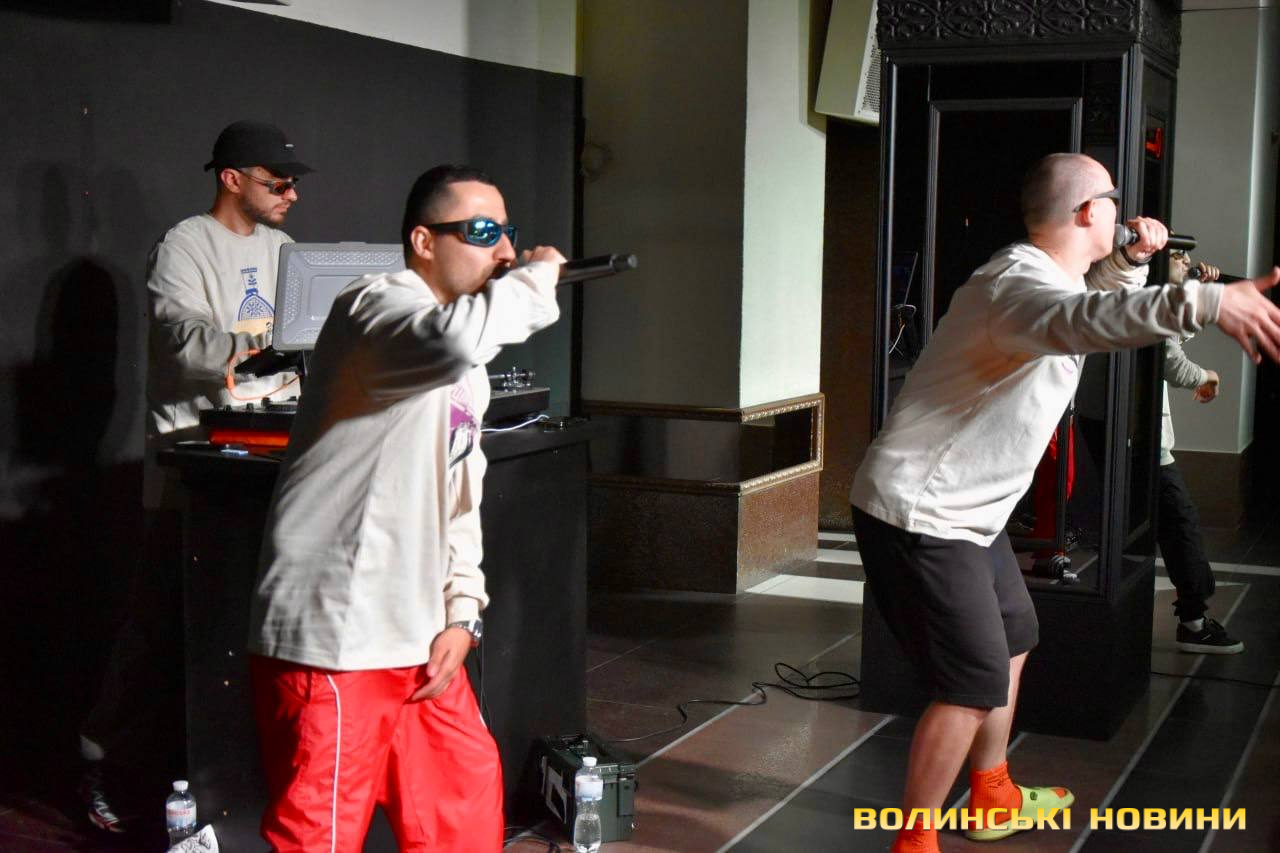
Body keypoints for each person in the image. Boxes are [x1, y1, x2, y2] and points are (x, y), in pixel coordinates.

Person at [849, 152, 1280, 853]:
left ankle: (991, 792)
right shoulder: (1014, 284)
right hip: (921, 514)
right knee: (971, 683)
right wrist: (1203, 301)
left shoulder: (1044, 276)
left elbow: (1081, 302)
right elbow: (1079, 319)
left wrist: (1129, 260)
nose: (1123, 210)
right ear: (1087, 212)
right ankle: (915, 841)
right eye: (1114, 198)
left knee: (1015, 635)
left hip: (968, 515)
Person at [247, 165, 563, 852]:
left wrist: (462, 609)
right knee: (320, 834)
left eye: (508, 233)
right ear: (423, 241)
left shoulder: (466, 366)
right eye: (482, 231)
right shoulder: (374, 306)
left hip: (419, 637)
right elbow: (449, 340)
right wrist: (535, 280)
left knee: (461, 808)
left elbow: (460, 491)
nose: (506, 251)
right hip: (339, 637)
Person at [78, 120, 312, 834]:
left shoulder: (285, 252)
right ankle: (101, 765)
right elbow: (183, 339)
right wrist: (267, 346)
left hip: (270, 460)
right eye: (277, 183)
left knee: (258, 625)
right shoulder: (184, 245)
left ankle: (245, 779)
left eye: (293, 184)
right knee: (159, 625)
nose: (291, 195)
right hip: (195, 464)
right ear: (231, 179)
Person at [1159, 251, 1244, 653]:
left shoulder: (1150, 296)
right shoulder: (1138, 295)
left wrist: (1191, 288)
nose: (1186, 259)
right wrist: (1206, 375)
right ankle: (1193, 623)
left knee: (1175, 524)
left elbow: (1173, 334)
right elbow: (1169, 359)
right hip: (1139, 437)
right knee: (1181, 524)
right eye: (1178, 254)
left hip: (1133, 434)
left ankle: (1192, 619)